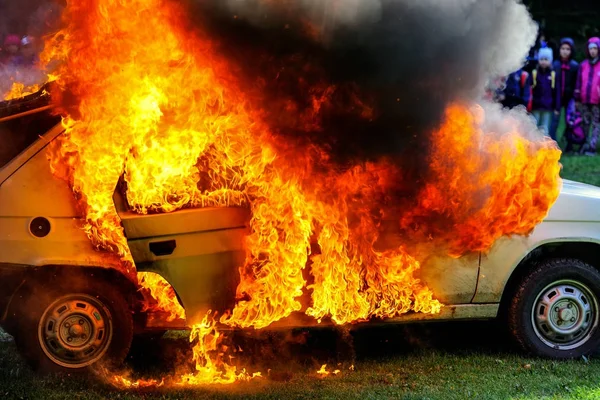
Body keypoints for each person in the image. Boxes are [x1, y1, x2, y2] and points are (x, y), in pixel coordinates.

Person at [574, 37, 600, 156]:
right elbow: (579, 81)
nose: (593, 51)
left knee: (596, 124)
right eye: (591, 49)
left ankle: (592, 147)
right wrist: (577, 96)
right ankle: (584, 144)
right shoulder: (583, 65)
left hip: (597, 101)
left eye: (595, 48)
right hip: (584, 100)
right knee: (585, 123)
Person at [550, 38, 579, 141]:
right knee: (554, 121)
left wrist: (576, 99)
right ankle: (552, 143)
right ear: (559, 50)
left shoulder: (574, 66)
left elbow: (577, 83)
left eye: (568, 49)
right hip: (556, 97)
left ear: (571, 51)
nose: (565, 51)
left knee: (570, 122)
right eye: (563, 48)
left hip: (569, 98)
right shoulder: (555, 65)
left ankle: (569, 143)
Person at [530, 47, 556, 136]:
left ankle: (543, 146)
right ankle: (532, 144)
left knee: (545, 128)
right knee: (533, 126)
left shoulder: (553, 74)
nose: (543, 61)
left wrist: (556, 106)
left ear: (550, 60)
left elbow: (556, 92)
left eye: (546, 59)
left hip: (548, 106)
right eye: (541, 59)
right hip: (536, 105)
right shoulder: (534, 73)